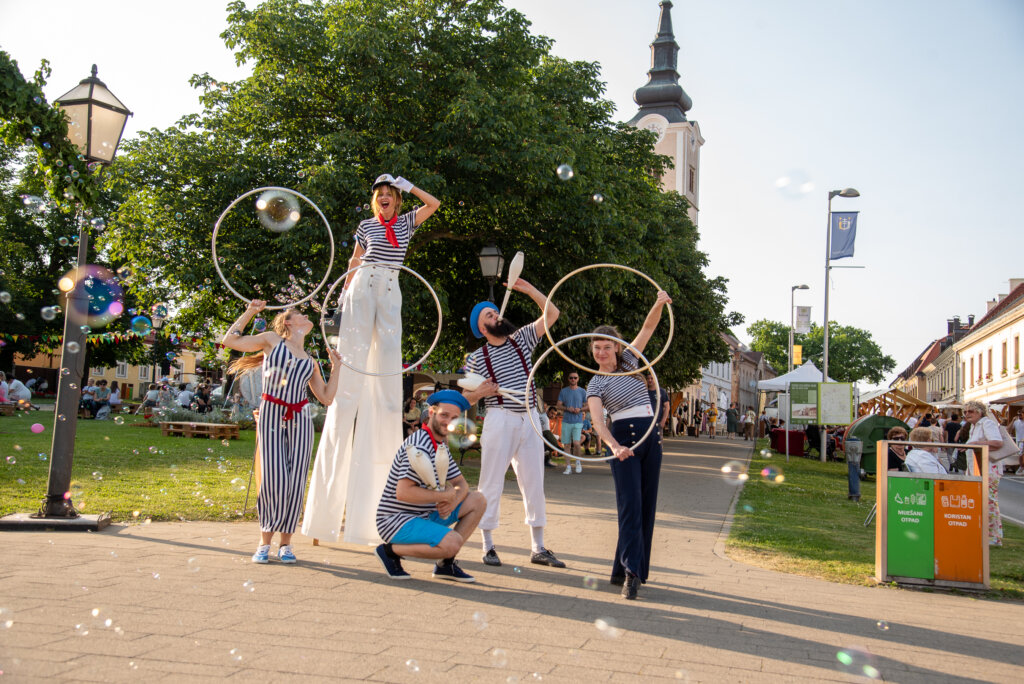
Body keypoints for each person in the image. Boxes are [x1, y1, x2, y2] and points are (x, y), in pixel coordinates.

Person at [303, 173, 441, 546]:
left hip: (392, 285)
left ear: (396, 200)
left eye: (389, 195)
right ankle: (325, 520)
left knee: (385, 382)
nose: (383, 198)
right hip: (363, 284)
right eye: (379, 194)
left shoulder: (407, 221)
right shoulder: (367, 226)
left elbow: (435, 205)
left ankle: (379, 518)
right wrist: (342, 292)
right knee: (352, 368)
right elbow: (355, 258)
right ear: (374, 201)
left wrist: (409, 185)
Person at [221, 299, 342, 564]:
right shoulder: (271, 340)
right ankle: (264, 543)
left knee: (295, 481)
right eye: (301, 314)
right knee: (275, 479)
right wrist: (251, 311)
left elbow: (326, 397)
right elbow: (230, 340)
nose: (307, 317)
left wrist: (336, 369)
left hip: (300, 417)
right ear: (288, 322)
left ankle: (286, 544)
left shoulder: (310, 361)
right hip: (272, 413)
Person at [462, 278, 565, 569]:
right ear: (482, 329)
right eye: (489, 315)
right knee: (490, 482)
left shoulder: (521, 339)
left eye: (496, 312)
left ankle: (539, 547)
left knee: (534, 482)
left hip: (529, 416)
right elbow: (465, 397)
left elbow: (552, 314)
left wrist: (530, 290)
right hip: (499, 418)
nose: (496, 316)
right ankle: (488, 545)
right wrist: (483, 391)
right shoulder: (476, 358)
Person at [585, 291, 672, 600]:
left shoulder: (632, 361)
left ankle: (622, 568)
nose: (601, 352)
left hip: (651, 439)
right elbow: (598, 423)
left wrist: (659, 302)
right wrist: (614, 446)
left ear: (617, 347)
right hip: (624, 440)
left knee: (646, 506)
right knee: (630, 506)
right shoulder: (595, 383)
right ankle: (631, 575)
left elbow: (648, 328)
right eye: (596, 348)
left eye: (606, 347)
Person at [374, 390, 487, 581]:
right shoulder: (419, 446)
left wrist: (453, 501)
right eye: (444, 415)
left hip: (423, 515)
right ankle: (389, 552)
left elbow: (461, 484)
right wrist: (443, 496)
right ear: (432, 413)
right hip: (396, 520)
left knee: (478, 500)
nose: (448, 422)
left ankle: (445, 565)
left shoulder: (440, 444)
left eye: (454, 418)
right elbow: (403, 493)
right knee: (453, 543)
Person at [963, 401, 1005, 547]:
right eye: (965, 412)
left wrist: (974, 445)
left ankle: (994, 537)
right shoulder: (974, 426)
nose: (967, 414)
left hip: (988, 468)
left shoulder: (986, 423)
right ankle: (984, 534)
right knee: (980, 502)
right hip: (976, 468)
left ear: (980, 412)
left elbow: (997, 442)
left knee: (989, 502)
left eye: (971, 411)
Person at [557, 372, 588, 475]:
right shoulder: (564, 391)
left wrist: (580, 409)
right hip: (566, 421)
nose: (573, 379)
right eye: (571, 378)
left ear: (578, 379)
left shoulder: (582, 391)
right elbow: (558, 405)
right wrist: (567, 408)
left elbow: (588, 406)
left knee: (576, 443)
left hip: (578, 421)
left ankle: (578, 462)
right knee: (566, 444)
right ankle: (568, 466)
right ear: (568, 379)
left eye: (575, 378)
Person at [646, 374, 670, 439]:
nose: (650, 380)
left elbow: (667, 407)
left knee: (657, 444)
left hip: (657, 423)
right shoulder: (645, 392)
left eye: (651, 378)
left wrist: (663, 421)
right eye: (648, 378)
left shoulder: (661, 392)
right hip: (646, 422)